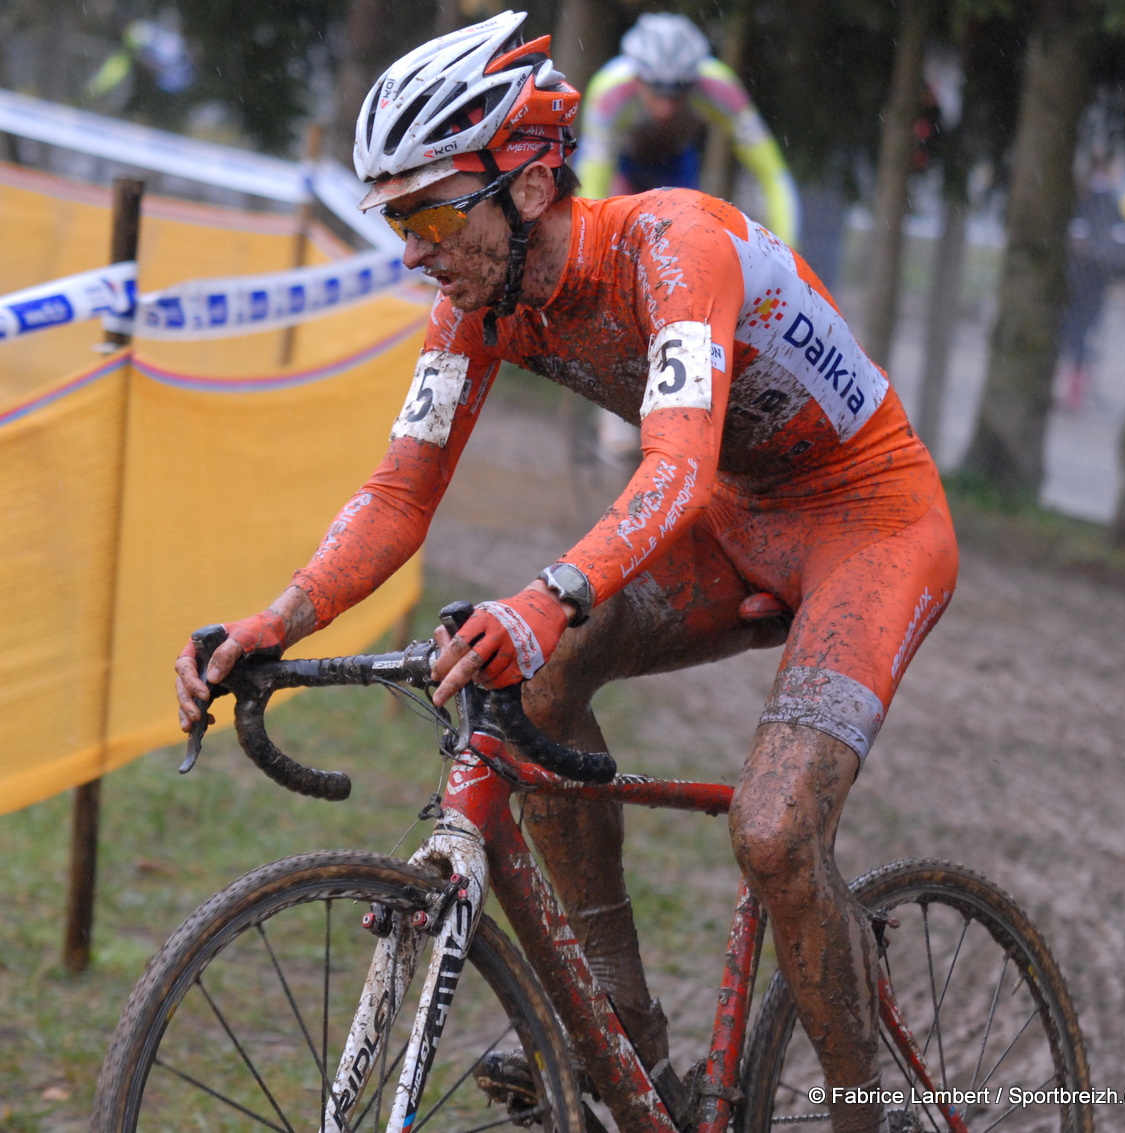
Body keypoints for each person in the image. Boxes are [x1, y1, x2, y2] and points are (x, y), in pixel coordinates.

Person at [175, 13, 957, 1133]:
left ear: (532, 185)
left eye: (433, 212)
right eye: (397, 218)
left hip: (870, 523)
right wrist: (277, 619)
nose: (413, 248)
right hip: (737, 516)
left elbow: (675, 465)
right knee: (536, 691)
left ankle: (858, 1117)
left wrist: (547, 596)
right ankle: (626, 1040)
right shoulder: (478, 303)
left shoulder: (672, 245)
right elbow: (400, 492)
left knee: (779, 830)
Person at [576, 12, 800, 249]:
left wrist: (789, 249)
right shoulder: (610, 91)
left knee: (681, 245)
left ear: (695, 80)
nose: (666, 108)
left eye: (678, 92)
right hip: (620, 164)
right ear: (637, 78)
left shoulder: (719, 87)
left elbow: (773, 174)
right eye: (656, 89)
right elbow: (593, 179)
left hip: (675, 162)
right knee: (612, 233)